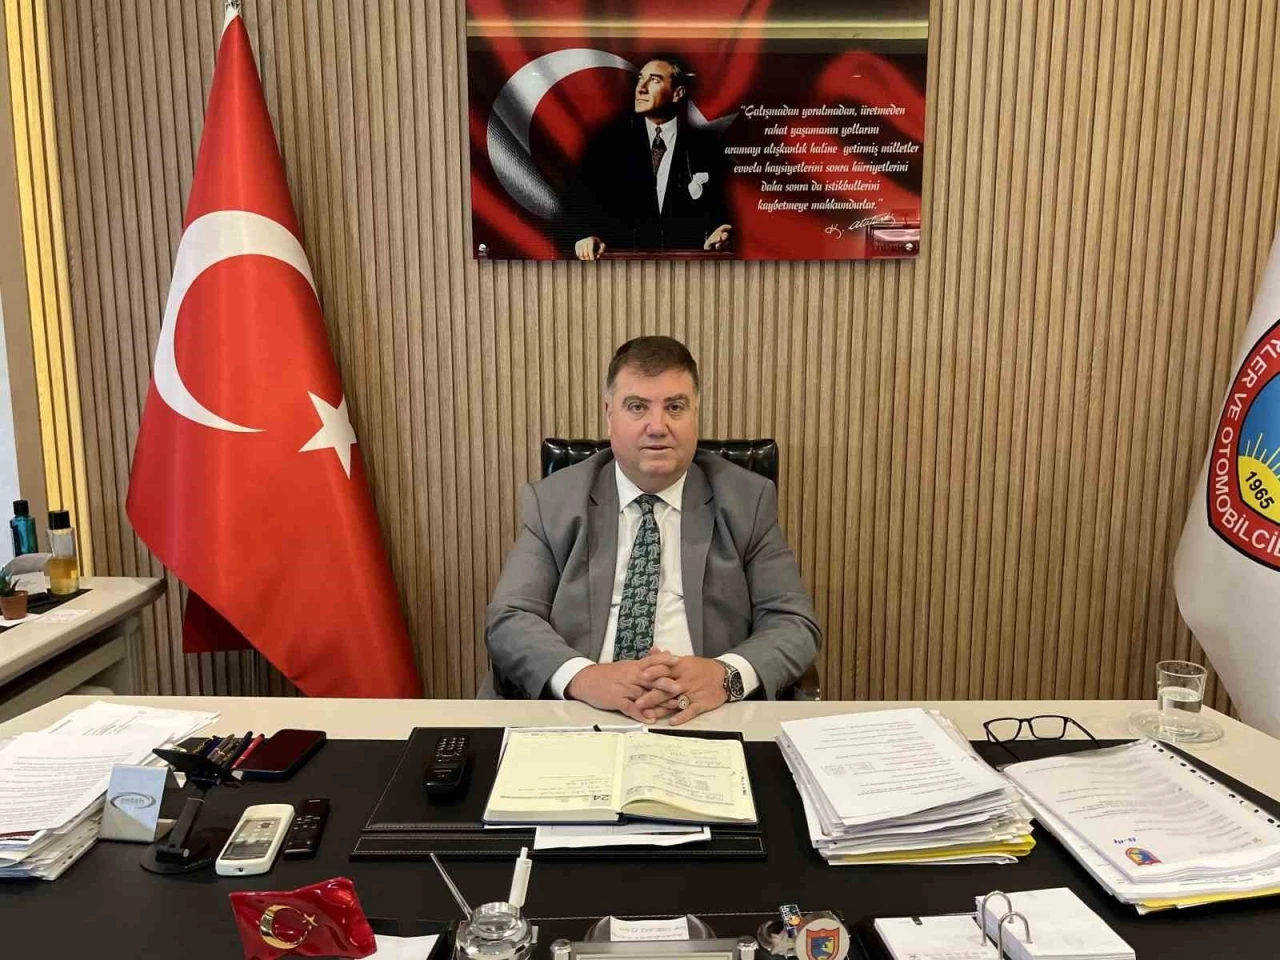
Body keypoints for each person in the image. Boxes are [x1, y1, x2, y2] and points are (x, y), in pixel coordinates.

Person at [484, 336, 820, 724]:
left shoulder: (747, 500)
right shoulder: (554, 501)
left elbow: (793, 622)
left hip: (707, 713)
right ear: (609, 414)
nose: (657, 427)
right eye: (637, 407)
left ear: (695, 413)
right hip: (581, 713)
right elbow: (510, 617)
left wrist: (724, 676)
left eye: (675, 407)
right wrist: (583, 677)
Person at [565, 56, 733, 259]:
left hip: (684, 267)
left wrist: (718, 234)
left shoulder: (706, 147)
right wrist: (583, 236)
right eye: (640, 79)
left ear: (678, 93)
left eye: (654, 80)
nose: (641, 89)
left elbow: (720, 213)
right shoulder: (607, 142)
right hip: (619, 266)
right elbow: (576, 200)